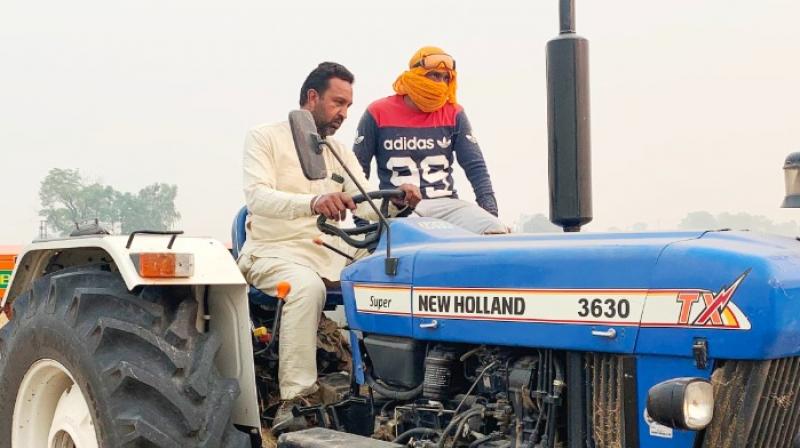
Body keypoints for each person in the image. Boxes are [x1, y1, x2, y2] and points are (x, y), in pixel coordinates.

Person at [238, 62, 421, 432]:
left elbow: (368, 205)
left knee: (400, 269)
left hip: (328, 252)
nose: (344, 114)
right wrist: (312, 203)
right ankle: (296, 399)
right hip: (273, 250)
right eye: (338, 103)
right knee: (306, 287)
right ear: (312, 98)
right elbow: (257, 198)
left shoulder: (337, 150)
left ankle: (390, 389)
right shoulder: (264, 137)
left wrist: (399, 202)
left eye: (349, 106)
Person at [353, 46, 507, 234]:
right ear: (416, 75)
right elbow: (357, 172)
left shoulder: (453, 112)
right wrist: (363, 225)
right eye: (434, 76)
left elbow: (476, 167)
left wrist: (490, 213)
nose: (441, 83)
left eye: (446, 78)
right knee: (410, 238)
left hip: (445, 204)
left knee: (495, 228)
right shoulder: (378, 112)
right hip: (399, 207)